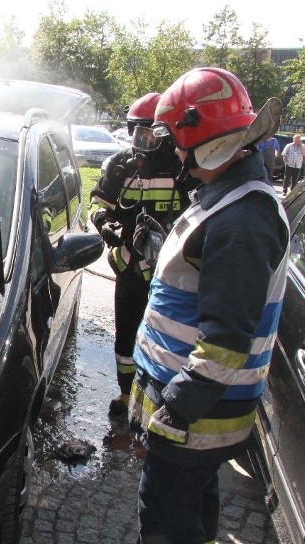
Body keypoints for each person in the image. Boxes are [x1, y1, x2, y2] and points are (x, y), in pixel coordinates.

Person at [127, 67, 289, 544]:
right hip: (198, 406)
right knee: (196, 502)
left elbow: (225, 341)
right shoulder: (229, 199)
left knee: (166, 522)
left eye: (174, 139)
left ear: (197, 139)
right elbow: (202, 291)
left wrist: (174, 409)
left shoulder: (242, 221)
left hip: (196, 411)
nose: (171, 152)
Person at [89, 92, 193, 417]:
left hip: (170, 274)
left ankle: (162, 397)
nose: (142, 141)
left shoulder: (183, 168)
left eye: (151, 134)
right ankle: (125, 393)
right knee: (126, 335)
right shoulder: (120, 165)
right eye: (137, 132)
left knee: (169, 337)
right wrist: (108, 227)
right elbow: (98, 201)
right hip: (129, 268)